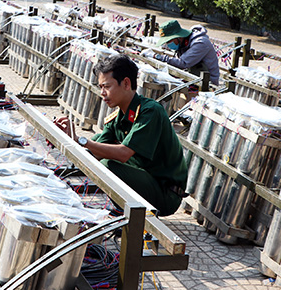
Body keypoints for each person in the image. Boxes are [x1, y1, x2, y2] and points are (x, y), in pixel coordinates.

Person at [55, 54, 188, 217]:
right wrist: (69, 138)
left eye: (107, 86)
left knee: (108, 165)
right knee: (99, 153)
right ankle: (125, 213)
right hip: (144, 179)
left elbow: (123, 154)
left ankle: (128, 216)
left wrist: (81, 140)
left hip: (165, 193)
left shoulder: (150, 111)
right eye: (100, 87)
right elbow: (92, 153)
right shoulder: (117, 117)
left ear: (126, 83)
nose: (102, 92)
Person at [146, 19, 220, 85]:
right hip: (191, 77)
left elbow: (183, 63)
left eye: (169, 41)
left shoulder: (201, 43)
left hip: (207, 84)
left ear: (178, 37)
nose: (168, 45)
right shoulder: (183, 43)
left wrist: (156, 56)